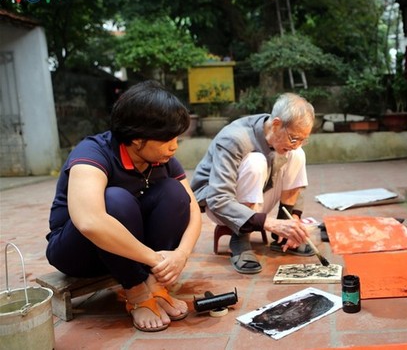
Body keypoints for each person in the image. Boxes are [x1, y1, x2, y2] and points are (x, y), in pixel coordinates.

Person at [46, 81, 202, 332]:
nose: (174, 146)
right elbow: (90, 221)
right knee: (115, 200)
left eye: (176, 138)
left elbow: (193, 209)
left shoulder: (163, 158)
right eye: (167, 139)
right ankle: (137, 291)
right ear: (137, 138)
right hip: (80, 252)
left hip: (130, 253)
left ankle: (155, 285)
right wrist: (154, 258)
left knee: (174, 194)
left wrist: (180, 255)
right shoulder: (93, 152)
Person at [191, 93, 314, 274]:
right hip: (220, 205)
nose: (297, 143)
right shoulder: (235, 138)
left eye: (303, 139)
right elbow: (219, 198)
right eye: (294, 138)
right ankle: (240, 238)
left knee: (297, 154)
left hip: (258, 196)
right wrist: (269, 223)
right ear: (277, 124)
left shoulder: (282, 139)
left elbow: (292, 173)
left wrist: (292, 222)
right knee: (255, 161)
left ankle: (283, 236)